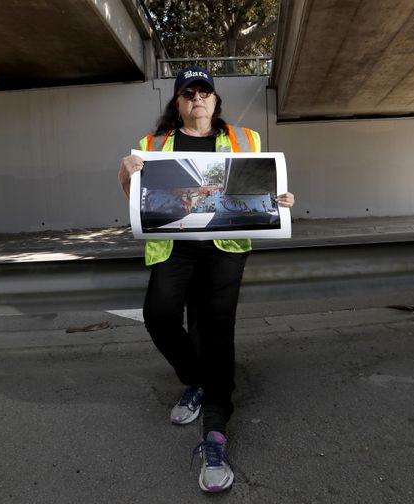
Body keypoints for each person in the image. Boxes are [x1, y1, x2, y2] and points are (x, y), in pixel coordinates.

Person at [118, 66, 295, 493]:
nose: (197, 98)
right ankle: (198, 379)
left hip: (224, 245)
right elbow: (136, 197)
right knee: (159, 315)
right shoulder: (153, 145)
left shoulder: (244, 139)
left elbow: (255, 186)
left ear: (215, 101)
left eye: (204, 92)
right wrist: (126, 174)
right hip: (174, 245)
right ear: (178, 102)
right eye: (188, 93)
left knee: (216, 329)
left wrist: (281, 199)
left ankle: (215, 430)